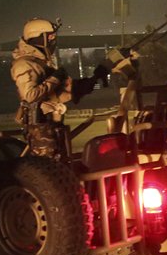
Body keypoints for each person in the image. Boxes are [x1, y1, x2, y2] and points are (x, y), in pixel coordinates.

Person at [11, 18, 107, 159]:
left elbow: (61, 92)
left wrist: (96, 76)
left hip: (52, 124)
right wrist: (55, 78)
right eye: (49, 37)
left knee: (61, 165)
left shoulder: (41, 63)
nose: (53, 41)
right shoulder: (24, 64)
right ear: (38, 38)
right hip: (40, 128)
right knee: (49, 171)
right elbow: (31, 95)